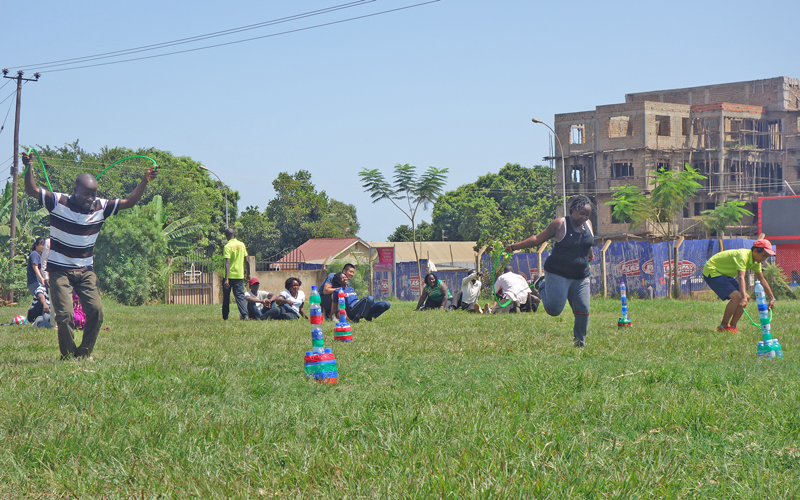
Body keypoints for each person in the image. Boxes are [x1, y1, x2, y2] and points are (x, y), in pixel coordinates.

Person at [22, 151, 157, 360]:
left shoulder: (100, 207)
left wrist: (144, 180)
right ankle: (67, 356)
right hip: (60, 271)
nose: (91, 198)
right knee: (65, 315)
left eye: (93, 193)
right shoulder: (58, 202)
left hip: (86, 271)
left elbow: (129, 201)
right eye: (86, 194)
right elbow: (31, 189)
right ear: (75, 190)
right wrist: (28, 166)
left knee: (96, 311)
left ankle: (83, 354)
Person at [506, 195, 595, 347]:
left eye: (587, 214)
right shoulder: (560, 224)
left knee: (583, 310)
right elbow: (536, 239)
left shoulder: (588, 224)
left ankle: (580, 343)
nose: (584, 217)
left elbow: (587, 243)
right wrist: (514, 247)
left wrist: (590, 257)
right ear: (572, 210)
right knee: (554, 310)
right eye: (581, 213)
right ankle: (541, 285)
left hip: (580, 276)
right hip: (558, 273)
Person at [702, 239, 776, 333]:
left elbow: (762, 280)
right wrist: (743, 297)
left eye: (767, 257)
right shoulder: (743, 256)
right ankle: (723, 326)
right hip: (712, 271)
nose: (764, 259)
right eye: (764, 256)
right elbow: (741, 277)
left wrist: (772, 298)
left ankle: (732, 327)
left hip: (725, 274)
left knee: (747, 298)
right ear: (755, 251)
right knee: (738, 297)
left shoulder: (756, 262)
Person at [222, 228, 249, 321]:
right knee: (240, 296)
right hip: (239, 275)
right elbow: (247, 260)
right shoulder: (242, 245)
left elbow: (227, 262)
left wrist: (226, 279)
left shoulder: (227, 246)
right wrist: (248, 273)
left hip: (229, 276)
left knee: (226, 297)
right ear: (235, 234)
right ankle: (245, 315)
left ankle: (225, 317)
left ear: (226, 236)